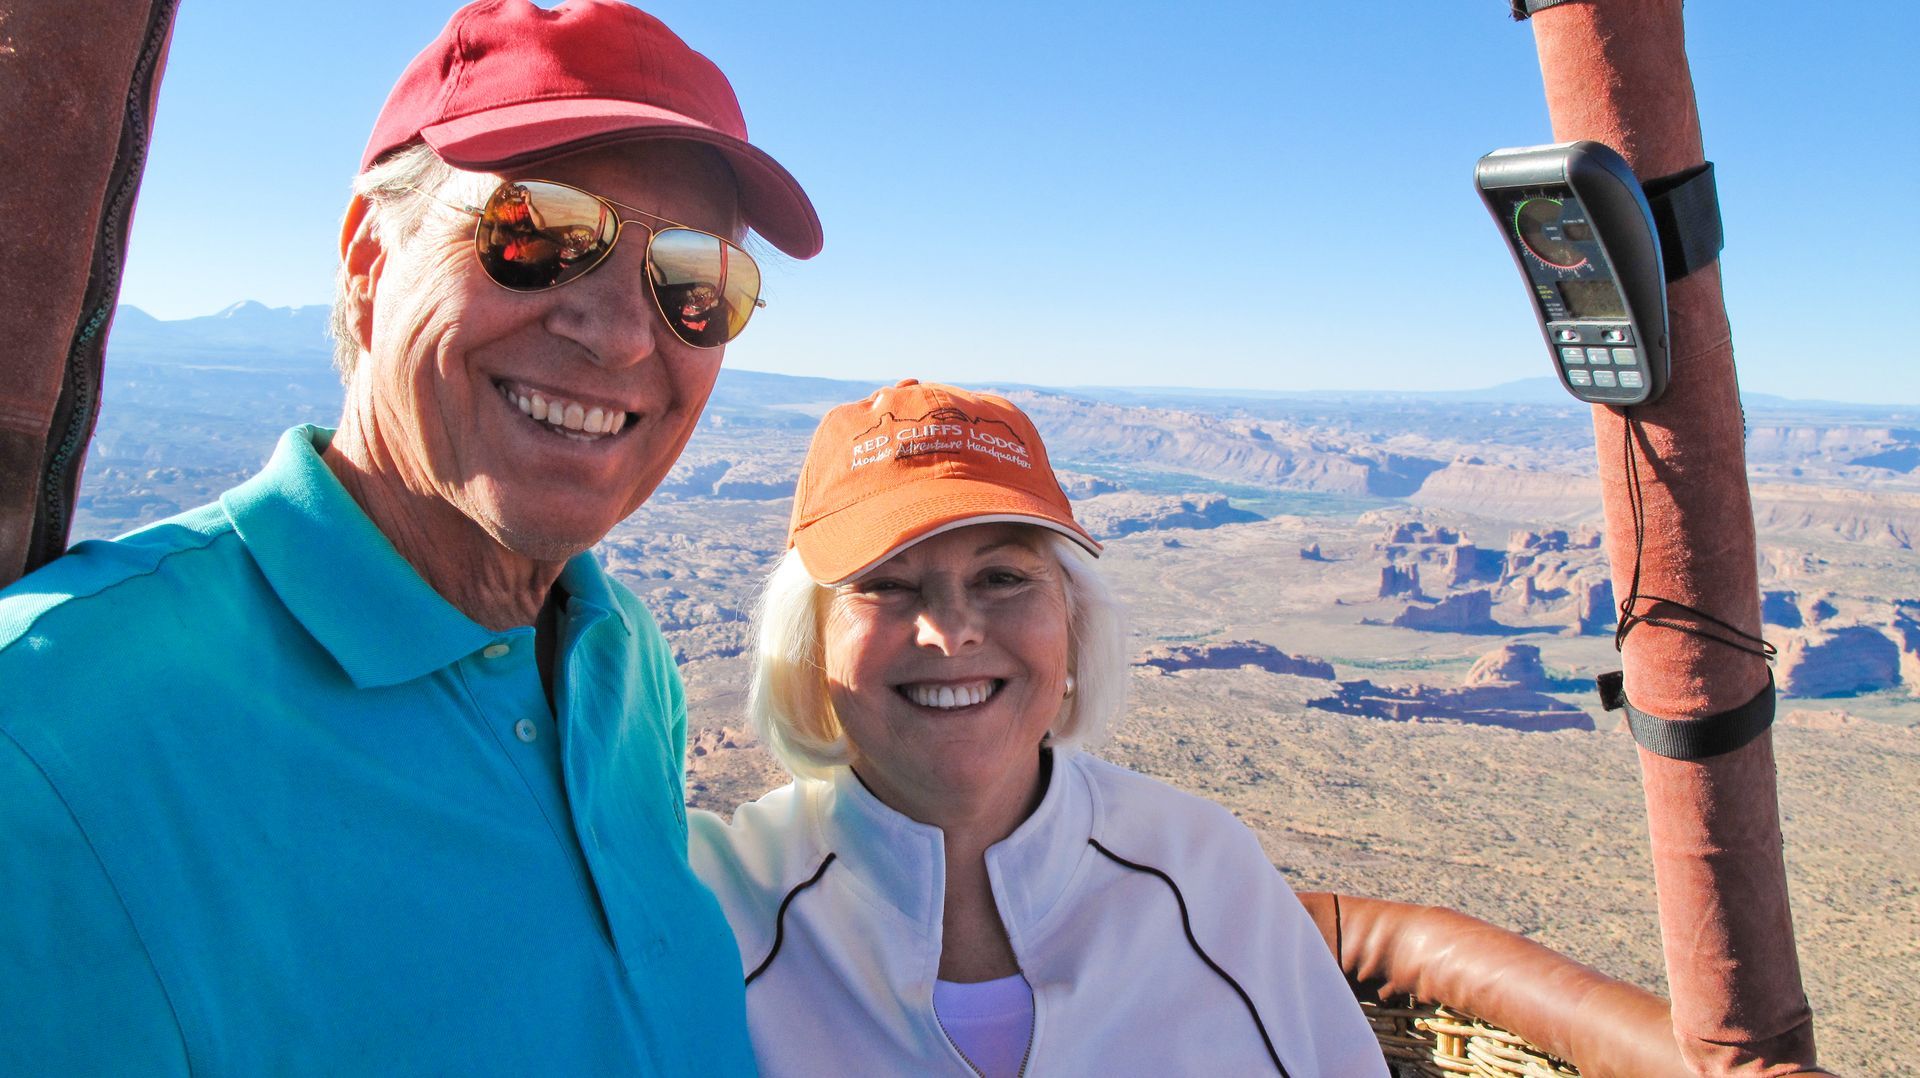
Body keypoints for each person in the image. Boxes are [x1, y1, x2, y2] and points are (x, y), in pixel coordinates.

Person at [0, 1, 820, 1073]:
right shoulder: (54, 735)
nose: (623, 335)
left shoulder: (623, 663)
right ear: (366, 258)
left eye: (693, 281)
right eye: (538, 229)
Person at [689, 380, 1388, 1076]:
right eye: (886, 584)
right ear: (807, 641)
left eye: (1001, 578)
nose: (950, 631)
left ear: (1074, 621)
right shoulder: (712, 910)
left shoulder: (1204, 874)